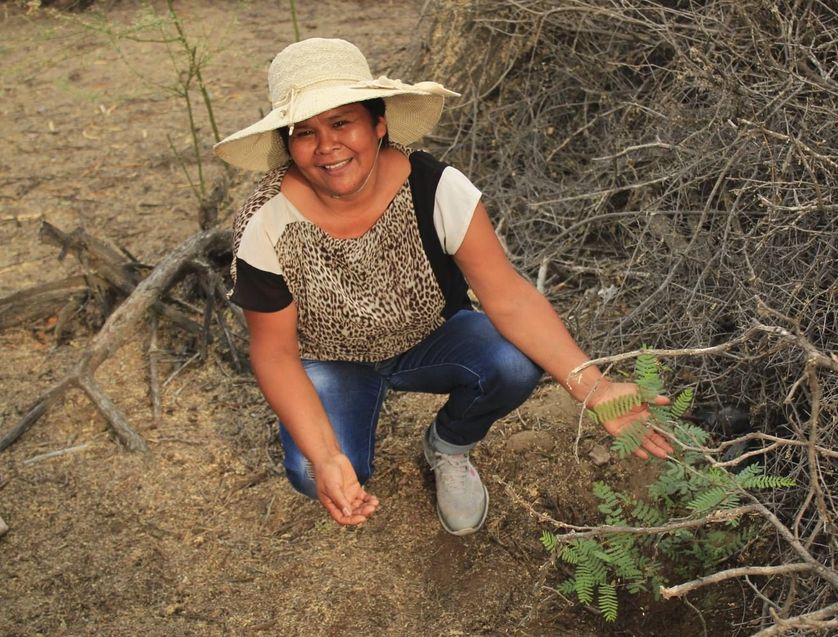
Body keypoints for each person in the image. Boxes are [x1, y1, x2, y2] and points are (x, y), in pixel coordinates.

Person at [214, 38, 670, 535]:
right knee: (311, 469)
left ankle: (448, 447)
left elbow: (509, 296)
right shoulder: (266, 222)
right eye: (305, 133)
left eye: (342, 122)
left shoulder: (436, 188)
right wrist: (325, 456)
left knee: (512, 362)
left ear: (378, 125)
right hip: (329, 357)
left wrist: (594, 387)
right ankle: (338, 449)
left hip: (428, 338)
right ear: (288, 145)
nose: (327, 147)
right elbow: (275, 353)